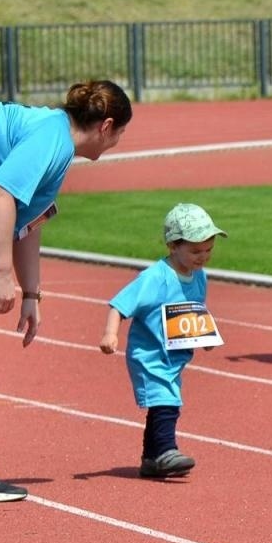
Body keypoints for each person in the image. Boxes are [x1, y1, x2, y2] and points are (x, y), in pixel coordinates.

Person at [0, 80, 131, 504]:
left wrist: (32, 294)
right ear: (107, 125)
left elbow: (27, 222)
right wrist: (2, 272)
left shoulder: (53, 143)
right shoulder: (52, 138)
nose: (118, 143)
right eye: (120, 135)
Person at [99, 203, 227, 479]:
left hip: (174, 356)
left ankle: (150, 459)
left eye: (208, 250)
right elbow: (119, 305)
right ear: (172, 246)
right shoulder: (155, 277)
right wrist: (110, 333)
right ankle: (167, 450)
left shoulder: (199, 275)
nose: (203, 257)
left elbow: (194, 309)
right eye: (195, 251)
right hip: (149, 355)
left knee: (162, 403)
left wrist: (204, 336)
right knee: (167, 402)